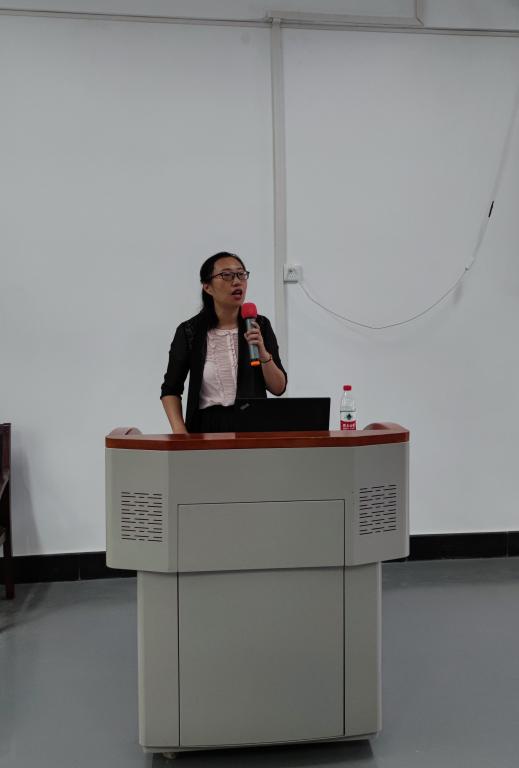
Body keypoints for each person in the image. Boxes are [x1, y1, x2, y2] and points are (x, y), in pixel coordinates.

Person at [161, 252, 287, 433]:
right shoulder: (190, 331)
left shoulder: (259, 325)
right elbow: (171, 389)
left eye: (241, 274)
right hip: (207, 428)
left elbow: (278, 388)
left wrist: (263, 354)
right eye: (226, 275)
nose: (237, 282)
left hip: (253, 427)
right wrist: (180, 433)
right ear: (207, 287)